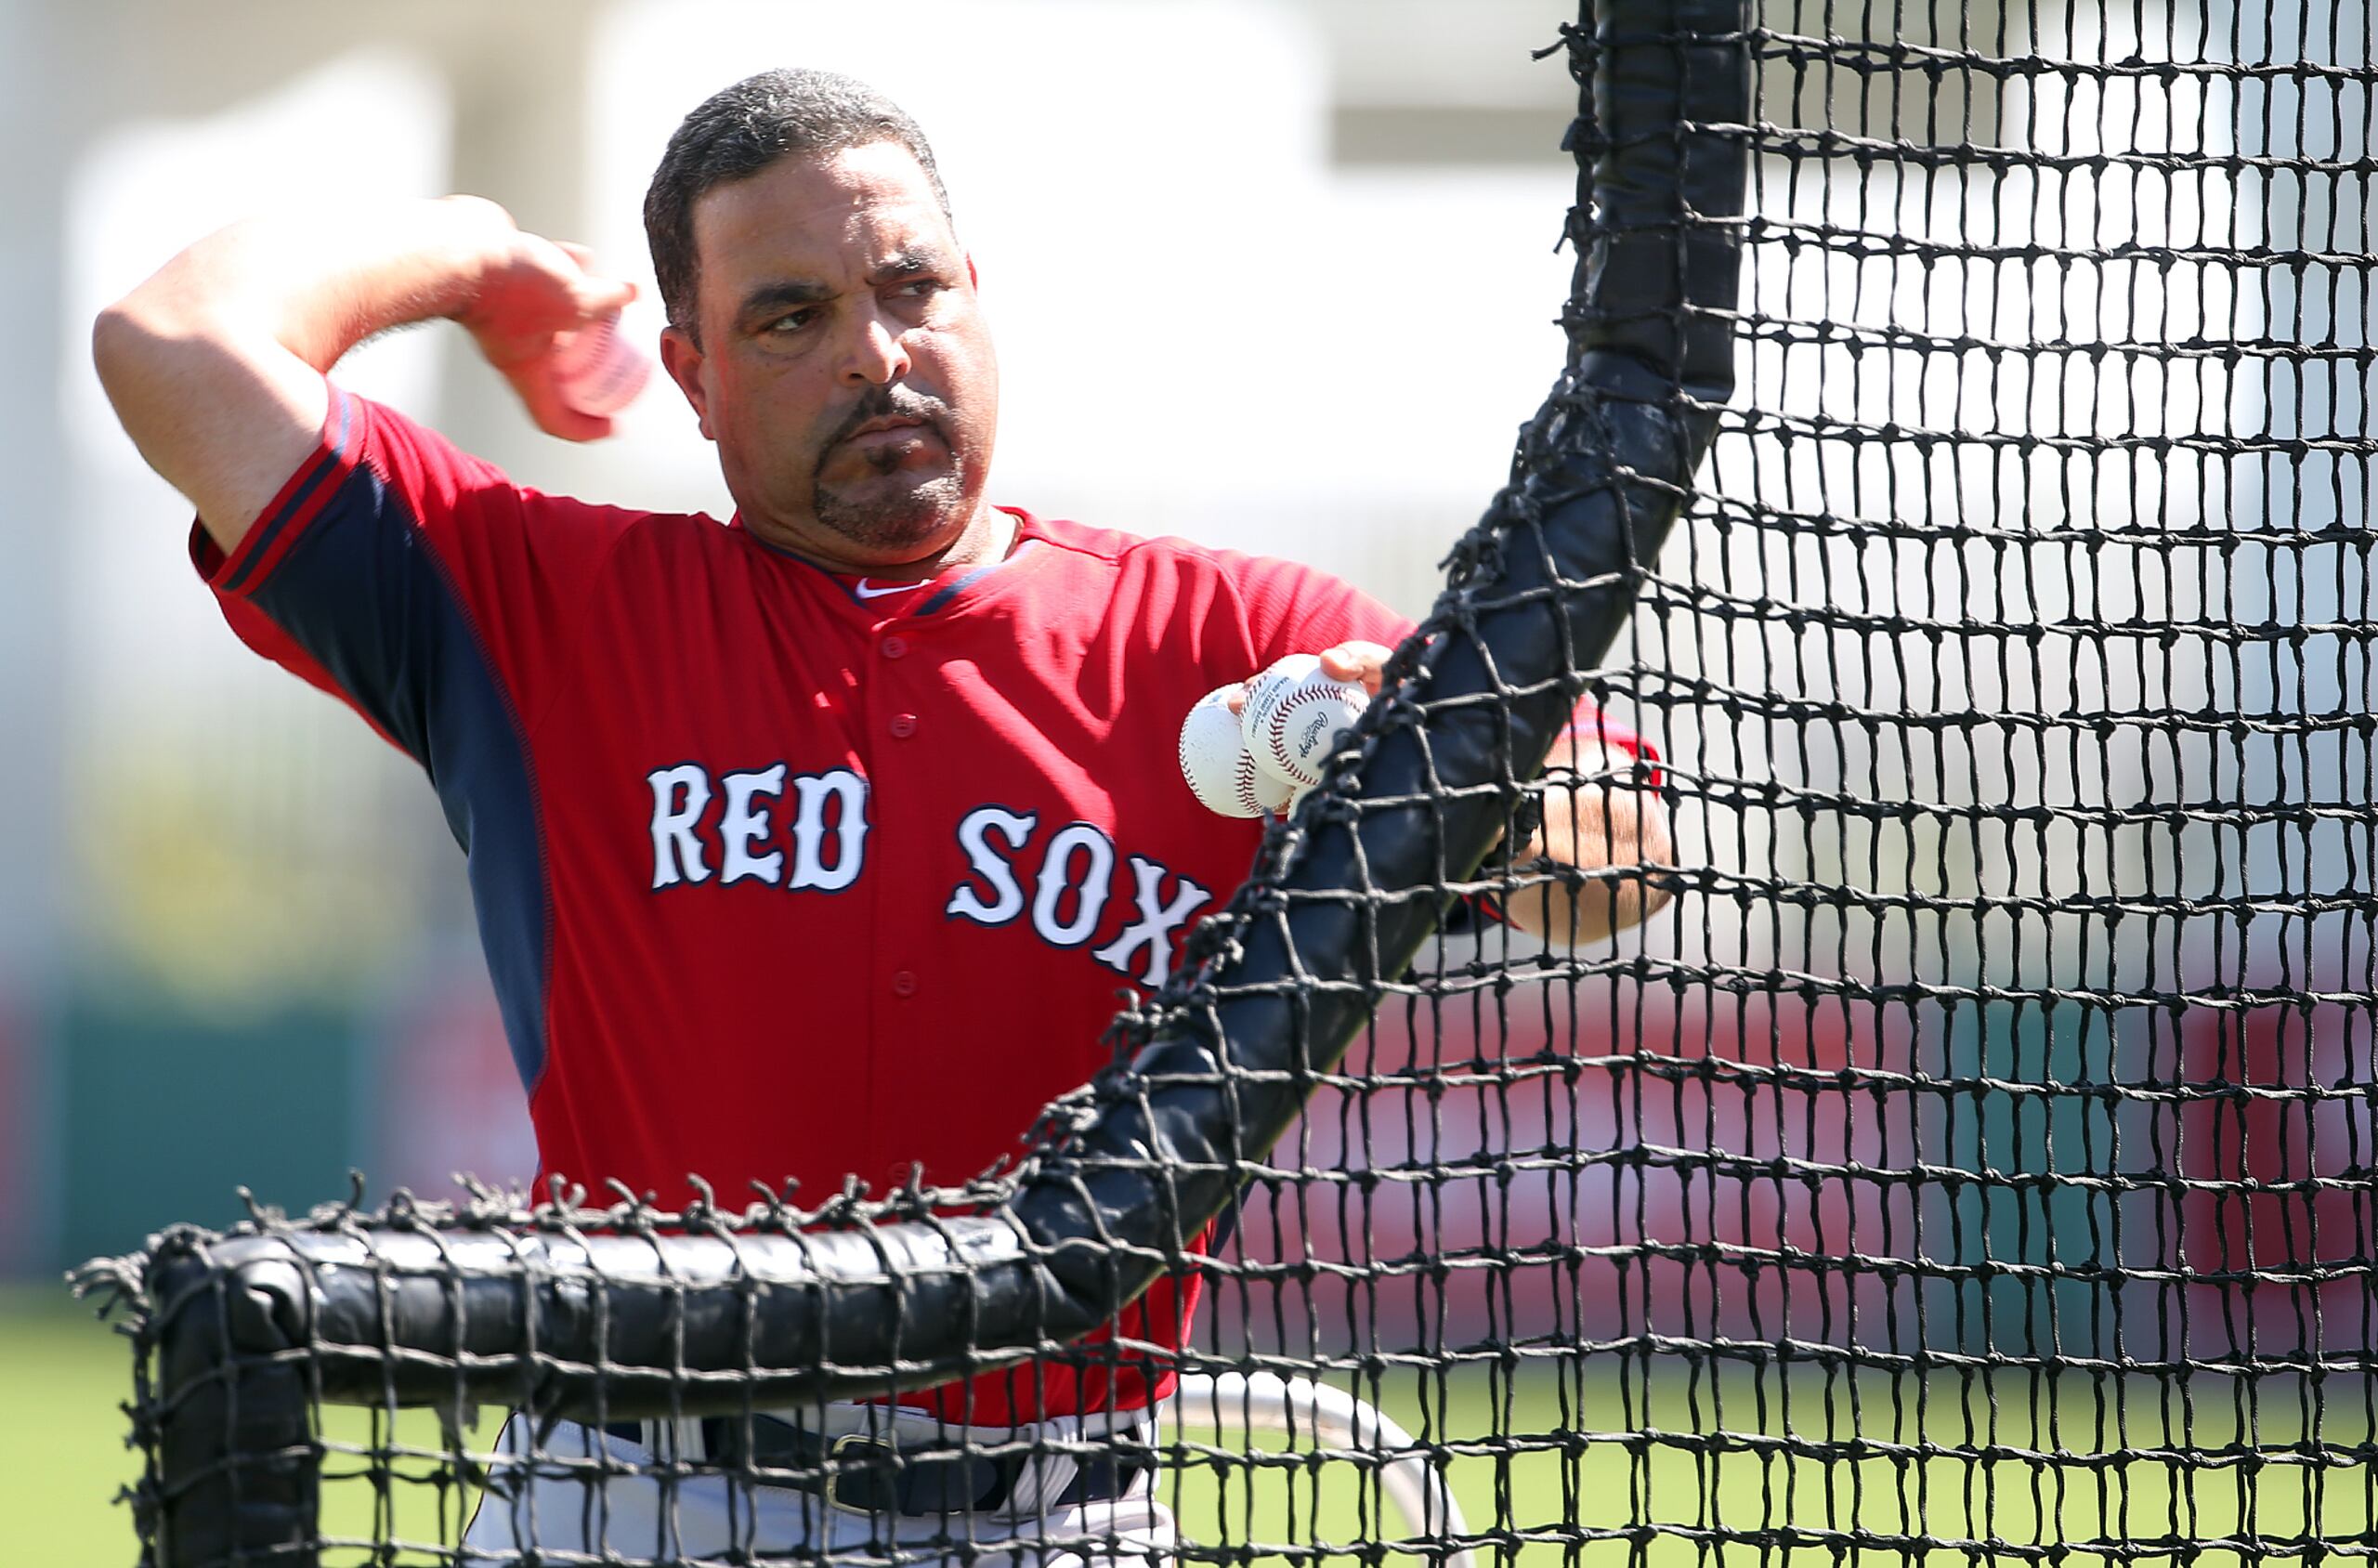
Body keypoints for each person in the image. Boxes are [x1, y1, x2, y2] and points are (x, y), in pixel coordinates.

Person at [92, 67, 1672, 1567]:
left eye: (912, 288)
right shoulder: (539, 610)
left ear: (977, 293)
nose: (874, 352)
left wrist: (1471, 800)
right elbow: (172, 344)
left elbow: (1630, 854)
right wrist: (475, 259)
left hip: (1052, 1512)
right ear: (694, 378)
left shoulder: (1231, 639)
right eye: (790, 317)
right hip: (637, 1503)